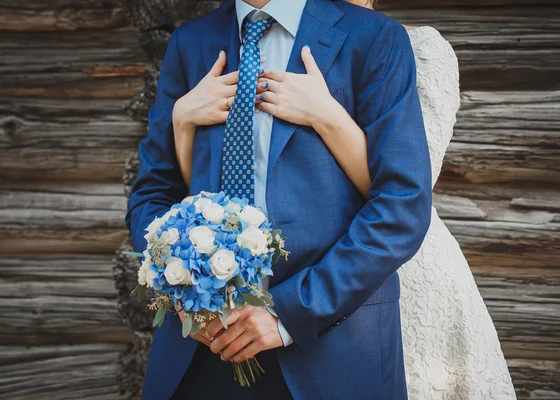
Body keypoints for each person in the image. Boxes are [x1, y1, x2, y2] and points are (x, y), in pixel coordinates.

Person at [172, 0, 518, 399]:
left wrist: (327, 116)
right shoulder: (201, 42)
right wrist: (182, 121)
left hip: (365, 286)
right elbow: (169, 188)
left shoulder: (388, 40)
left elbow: (408, 192)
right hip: (221, 340)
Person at [126, 0, 431, 398]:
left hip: (330, 350)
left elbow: (402, 205)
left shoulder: (374, 38)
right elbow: (151, 195)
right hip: (201, 354)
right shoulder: (190, 43)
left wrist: (285, 313)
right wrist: (183, 295)